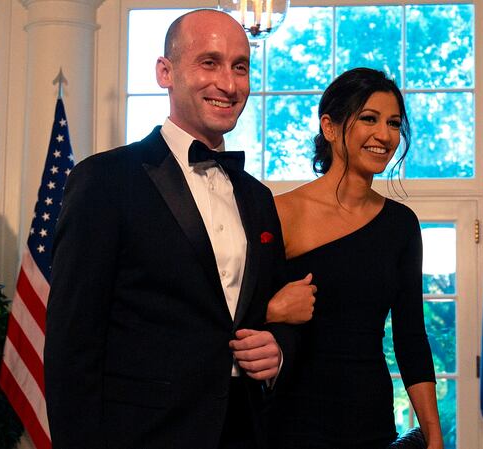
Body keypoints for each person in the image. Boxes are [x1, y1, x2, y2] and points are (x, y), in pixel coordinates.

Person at [44, 9, 315, 449]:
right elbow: (72, 344)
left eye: (240, 67)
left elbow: (266, 312)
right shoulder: (105, 180)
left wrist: (279, 346)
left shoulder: (258, 198)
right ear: (165, 72)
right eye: (209, 62)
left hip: (245, 433)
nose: (228, 84)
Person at [266, 68, 444, 449]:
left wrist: (434, 435)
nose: (385, 134)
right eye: (369, 118)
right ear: (329, 127)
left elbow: (411, 338)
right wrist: (271, 310)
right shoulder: (280, 213)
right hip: (290, 421)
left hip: (370, 420)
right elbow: (235, 315)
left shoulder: (401, 225)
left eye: (393, 123)